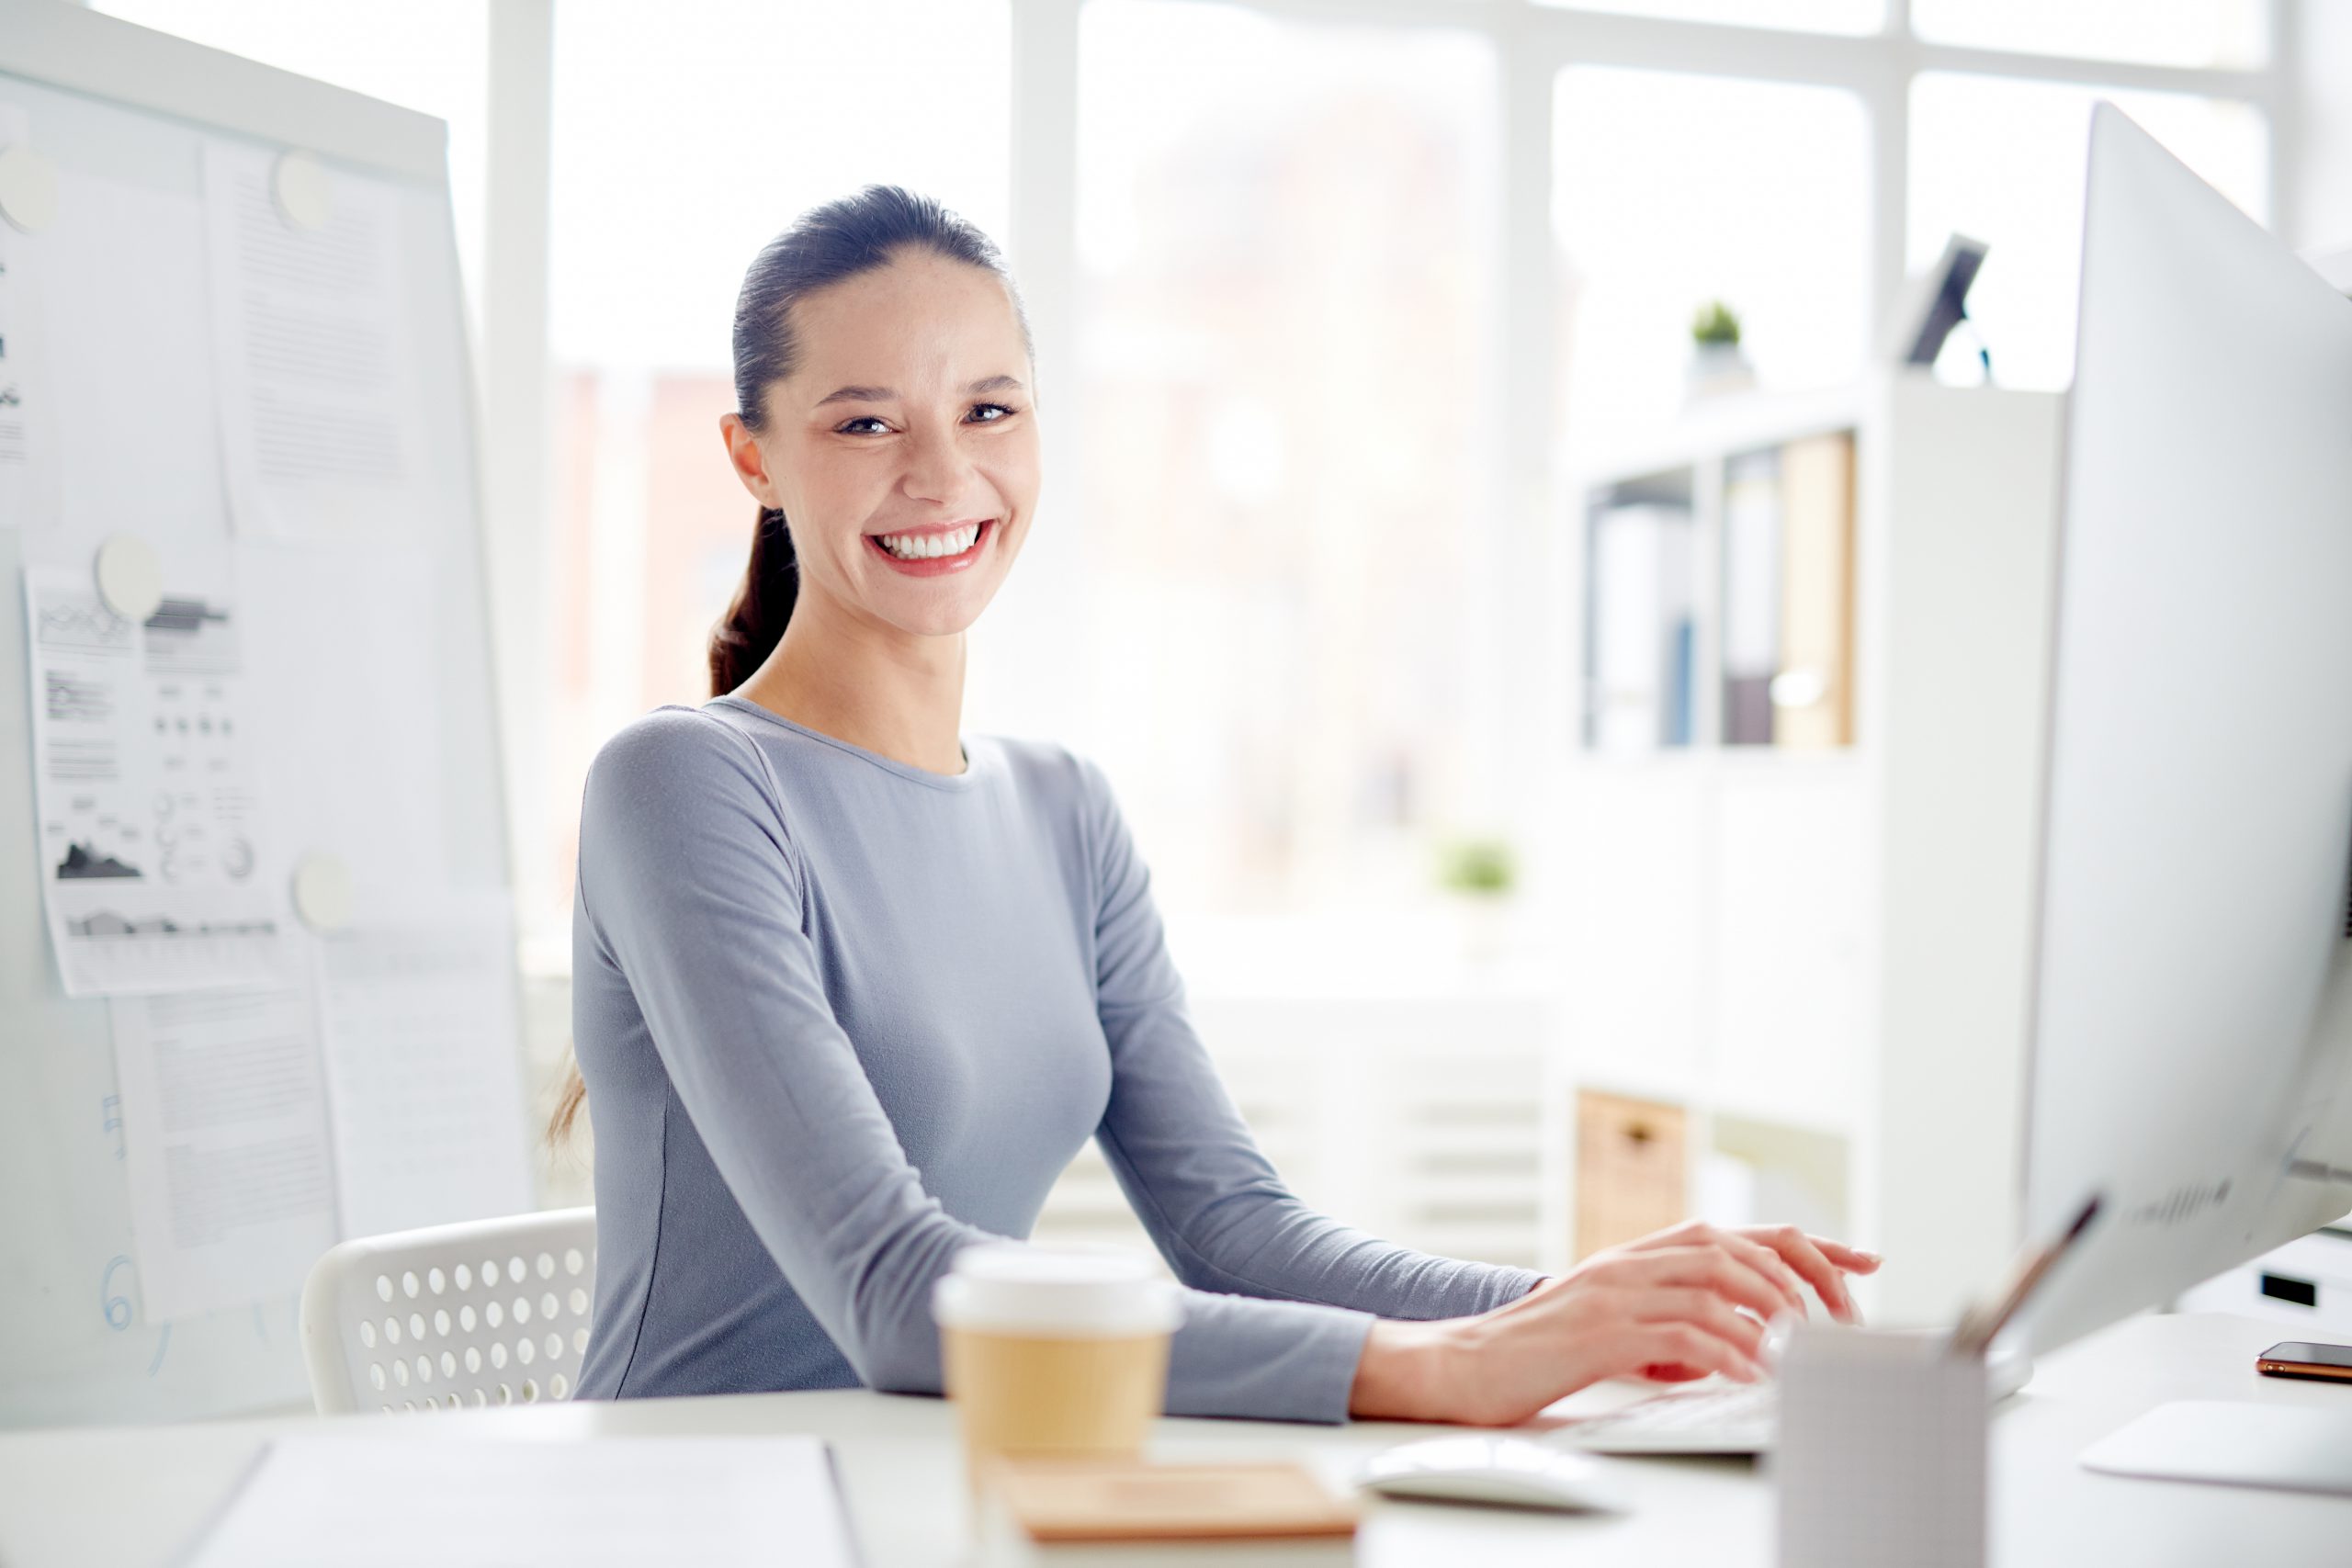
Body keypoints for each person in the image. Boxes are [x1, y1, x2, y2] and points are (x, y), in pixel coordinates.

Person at [551, 184, 1880, 1425]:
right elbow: (899, 1297)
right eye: (863, 421)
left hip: (942, 1482)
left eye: (991, 411)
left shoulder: (1064, 810)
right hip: (699, 1507)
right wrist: (1450, 1369)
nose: (942, 473)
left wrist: (1575, 1311)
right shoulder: (684, 786)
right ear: (753, 458)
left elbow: (1238, 1234)